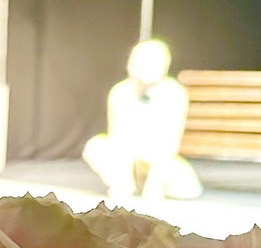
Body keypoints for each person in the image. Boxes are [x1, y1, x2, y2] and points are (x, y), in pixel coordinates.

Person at [82, 39, 202, 202]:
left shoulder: (174, 93)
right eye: (139, 61)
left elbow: (169, 142)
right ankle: (127, 183)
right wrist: (122, 181)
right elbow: (117, 136)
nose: (145, 66)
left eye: (153, 61)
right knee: (95, 147)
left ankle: (148, 183)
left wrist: (155, 184)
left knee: (186, 188)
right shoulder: (121, 91)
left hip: (157, 155)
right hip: (129, 153)